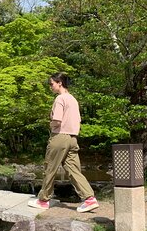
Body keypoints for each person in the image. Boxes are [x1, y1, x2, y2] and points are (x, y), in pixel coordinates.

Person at [28, 72, 99, 212]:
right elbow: (78, 120)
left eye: (51, 84)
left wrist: (51, 125)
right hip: (73, 138)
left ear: (59, 82)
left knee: (50, 168)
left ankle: (43, 200)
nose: (50, 87)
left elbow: (57, 120)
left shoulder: (60, 99)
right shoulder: (73, 99)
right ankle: (89, 199)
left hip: (59, 137)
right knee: (73, 170)